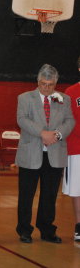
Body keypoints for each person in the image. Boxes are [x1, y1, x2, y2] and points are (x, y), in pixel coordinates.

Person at [16, 64, 75, 244]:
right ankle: (24, 230)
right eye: (43, 84)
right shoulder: (25, 98)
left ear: (55, 83)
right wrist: (43, 133)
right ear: (38, 81)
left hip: (55, 153)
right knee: (26, 194)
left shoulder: (64, 99)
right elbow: (22, 119)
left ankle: (47, 230)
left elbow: (70, 120)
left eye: (50, 84)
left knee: (49, 195)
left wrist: (56, 135)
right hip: (31, 153)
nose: (47, 88)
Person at [62, 56, 80, 241]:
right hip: (77, 148)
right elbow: (69, 120)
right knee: (77, 190)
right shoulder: (71, 92)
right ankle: (79, 226)